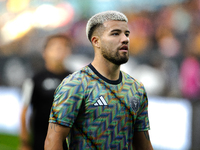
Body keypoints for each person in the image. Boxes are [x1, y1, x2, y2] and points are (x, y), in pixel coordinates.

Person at [45, 10, 153, 150]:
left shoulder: (136, 88)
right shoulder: (76, 84)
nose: (125, 39)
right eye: (115, 33)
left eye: (126, 34)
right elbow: (53, 140)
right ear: (96, 41)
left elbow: (143, 144)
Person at [20, 34, 72, 150]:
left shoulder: (75, 79)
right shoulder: (35, 79)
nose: (59, 51)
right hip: (40, 140)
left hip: (67, 141)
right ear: (45, 52)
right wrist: (24, 141)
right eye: (55, 47)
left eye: (63, 47)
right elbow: (25, 111)